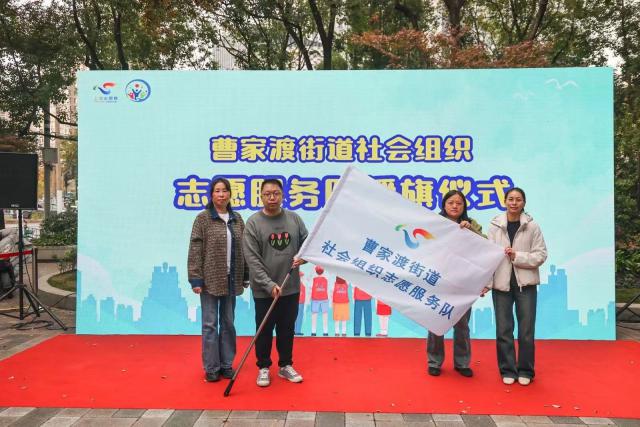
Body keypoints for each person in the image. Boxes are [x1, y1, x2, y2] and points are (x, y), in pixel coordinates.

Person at [243, 178, 308, 387]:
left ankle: (285, 365)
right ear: (261, 196)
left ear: (282, 195)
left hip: (290, 286)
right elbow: (252, 260)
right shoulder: (253, 223)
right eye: (267, 194)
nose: (272, 197)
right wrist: (269, 284)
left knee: (287, 328)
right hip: (265, 290)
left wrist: (304, 258)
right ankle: (263, 367)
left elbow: (308, 246)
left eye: (276, 193)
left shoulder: (294, 219)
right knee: (264, 329)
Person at [187, 177, 248, 383]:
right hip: (209, 280)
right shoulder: (203, 219)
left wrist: (246, 275)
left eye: (224, 191)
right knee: (210, 324)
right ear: (211, 194)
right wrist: (196, 278)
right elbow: (195, 249)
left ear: (230, 194)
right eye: (217, 191)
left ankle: (226, 364)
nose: (221, 194)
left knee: (228, 322)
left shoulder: (237, 219)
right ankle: (212, 367)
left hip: (232, 279)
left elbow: (245, 249)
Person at [487, 187, 547, 386]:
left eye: (518, 199)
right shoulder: (495, 225)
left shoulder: (532, 226)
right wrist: (487, 284)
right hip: (501, 286)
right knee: (503, 330)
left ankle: (526, 370)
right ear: (505, 201)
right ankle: (507, 369)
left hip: (526, 286)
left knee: (526, 331)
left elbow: (541, 255)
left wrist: (517, 256)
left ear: (524, 203)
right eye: (511, 199)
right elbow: (488, 257)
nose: (514, 203)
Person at [427, 190, 484, 378]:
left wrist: (471, 231)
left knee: (462, 325)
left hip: (463, 283)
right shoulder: (435, 223)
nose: (454, 206)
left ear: (464, 207)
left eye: (459, 203)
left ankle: (462, 363)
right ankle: (434, 361)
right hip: (438, 281)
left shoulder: (471, 224)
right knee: (436, 323)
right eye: (451, 202)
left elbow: (486, 247)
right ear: (444, 205)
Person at [310, 265, 329, 336]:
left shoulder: (313, 280)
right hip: (324, 299)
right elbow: (329, 289)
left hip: (315, 299)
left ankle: (313, 331)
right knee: (325, 315)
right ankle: (325, 332)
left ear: (315, 271)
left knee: (314, 315)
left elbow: (310, 287)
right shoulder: (326, 279)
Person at [294, 271, 306, 336]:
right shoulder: (298, 284)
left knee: (297, 316)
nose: (302, 277)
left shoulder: (299, 284)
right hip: (298, 302)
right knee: (297, 316)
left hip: (300, 302)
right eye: (301, 276)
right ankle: (296, 330)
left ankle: (297, 330)